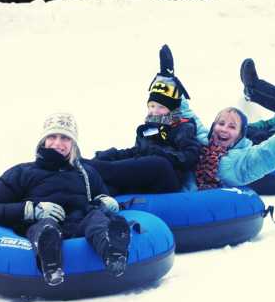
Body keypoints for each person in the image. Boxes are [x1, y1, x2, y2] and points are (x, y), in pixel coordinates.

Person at [0, 113, 130, 286]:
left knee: (97, 218)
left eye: (65, 138)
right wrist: (32, 209)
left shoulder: (86, 173)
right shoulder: (22, 172)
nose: (58, 143)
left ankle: (113, 252)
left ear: (73, 144)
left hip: (80, 222)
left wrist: (107, 202)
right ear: (43, 141)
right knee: (46, 227)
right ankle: (50, 262)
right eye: (52, 136)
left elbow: (101, 197)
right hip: (41, 223)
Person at [158, 46, 275, 190]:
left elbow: (267, 153)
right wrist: (168, 80)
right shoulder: (202, 140)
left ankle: (253, 91)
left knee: (263, 139)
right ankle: (253, 87)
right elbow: (188, 116)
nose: (223, 128)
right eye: (221, 124)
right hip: (270, 130)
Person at [86, 46, 202, 194]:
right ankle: (87, 184)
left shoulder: (182, 127)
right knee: (113, 161)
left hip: (168, 178)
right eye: (152, 106)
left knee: (158, 163)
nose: (154, 111)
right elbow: (137, 152)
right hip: (146, 176)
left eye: (161, 107)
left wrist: (160, 153)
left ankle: (89, 167)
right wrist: (113, 154)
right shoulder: (147, 129)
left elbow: (189, 157)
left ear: (172, 109)